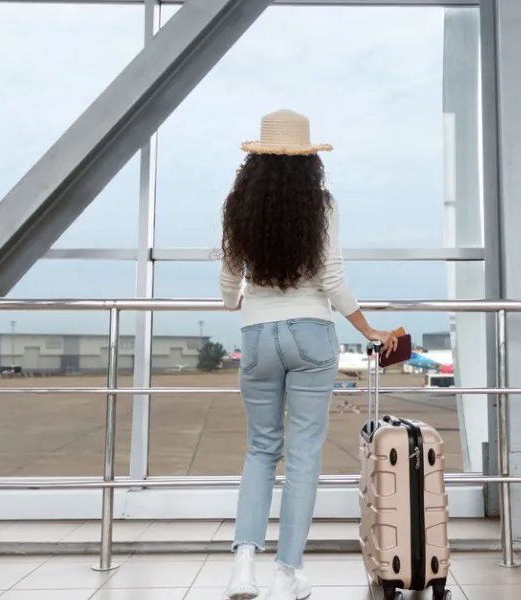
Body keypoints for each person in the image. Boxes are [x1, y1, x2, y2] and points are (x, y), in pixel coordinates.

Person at [220, 109, 399, 600]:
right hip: (311, 335)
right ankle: (287, 573)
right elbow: (331, 278)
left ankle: (242, 565)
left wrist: (243, 300)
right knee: (301, 456)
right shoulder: (321, 205)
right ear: (310, 161)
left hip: (256, 336)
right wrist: (367, 327)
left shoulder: (238, 205)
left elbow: (228, 282)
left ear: (256, 159)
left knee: (260, 449)